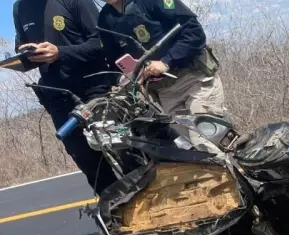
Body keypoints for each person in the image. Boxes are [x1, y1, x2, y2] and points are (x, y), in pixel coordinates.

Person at [13, 0, 118, 195]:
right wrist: (24, 54)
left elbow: (102, 41)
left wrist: (60, 52)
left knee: (118, 150)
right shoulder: (20, 7)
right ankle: (115, 213)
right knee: (86, 159)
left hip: (94, 88)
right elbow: (21, 45)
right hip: (57, 97)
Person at [97, 0, 225, 119]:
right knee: (184, 141)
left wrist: (167, 61)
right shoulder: (105, 19)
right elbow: (113, 61)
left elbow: (194, 32)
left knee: (203, 137)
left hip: (194, 79)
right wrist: (124, 77)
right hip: (165, 93)